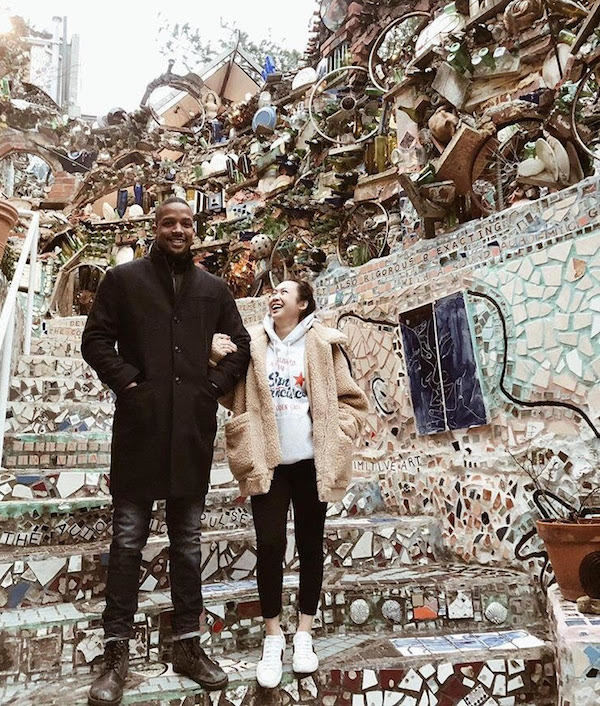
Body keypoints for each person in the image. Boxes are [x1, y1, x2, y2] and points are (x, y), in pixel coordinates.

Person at [81, 196, 250, 706]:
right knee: (129, 541)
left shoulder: (213, 289)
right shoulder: (124, 280)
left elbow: (241, 344)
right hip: (139, 431)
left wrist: (210, 385)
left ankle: (187, 646)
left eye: (186, 223)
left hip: (190, 435)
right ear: (155, 227)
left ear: (195, 229)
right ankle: (115, 655)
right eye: (168, 222)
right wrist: (130, 384)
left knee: (187, 543)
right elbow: (96, 340)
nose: (178, 230)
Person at [216, 279, 368, 689]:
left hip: (310, 463)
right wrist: (213, 357)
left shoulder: (322, 344)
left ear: (302, 304)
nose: (275, 294)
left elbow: (352, 400)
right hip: (268, 463)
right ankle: (272, 636)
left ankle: (304, 632)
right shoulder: (252, 343)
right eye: (272, 291)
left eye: (286, 291)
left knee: (310, 545)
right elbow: (229, 394)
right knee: (268, 545)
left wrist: (341, 430)